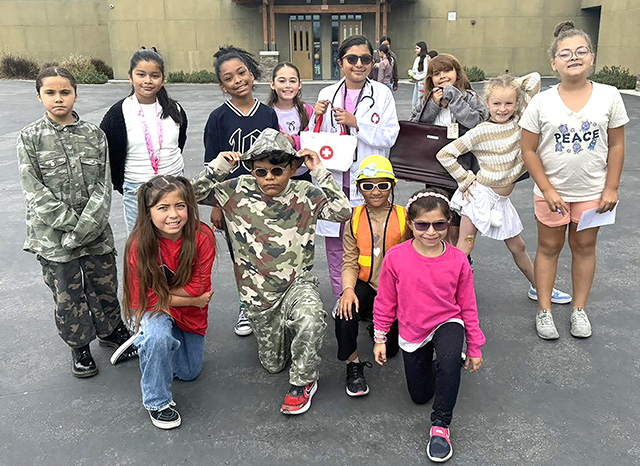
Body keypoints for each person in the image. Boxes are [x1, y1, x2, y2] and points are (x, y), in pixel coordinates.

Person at [192, 129, 351, 415]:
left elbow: (342, 212)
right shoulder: (235, 190)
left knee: (311, 319)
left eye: (277, 171)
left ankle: (303, 382)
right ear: (252, 170)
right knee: (273, 365)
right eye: (261, 172)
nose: (269, 178)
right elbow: (191, 195)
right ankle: (286, 333)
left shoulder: (306, 194)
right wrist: (219, 166)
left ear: (292, 168)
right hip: (258, 296)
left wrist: (319, 171)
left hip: (297, 285)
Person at [16, 67, 137, 378]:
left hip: (95, 231)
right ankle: (79, 345)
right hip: (54, 238)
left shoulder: (94, 135)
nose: (58, 99)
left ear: (75, 94)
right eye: (50, 93)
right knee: (68, 295)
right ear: (39, 96)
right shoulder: (30, 137)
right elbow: (34, 191)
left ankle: (112, 332)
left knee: (105, 283)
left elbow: (103, 185)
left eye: (65, 92)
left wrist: (85, 228)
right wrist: (72, 226)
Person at [520, 21, 628, 340]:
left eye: (581, 51)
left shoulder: (609, 96)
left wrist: (611, 187)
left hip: (593, 191)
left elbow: (617, 144)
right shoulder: (541, 102)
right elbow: (528, 150)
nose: (574, 57)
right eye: (565, 53)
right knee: (549, 247)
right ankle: (544, 310)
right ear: (554, 63)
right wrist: (547, 189)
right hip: (550, 193)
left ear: (592, 57)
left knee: (584, 247)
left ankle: (579, 309)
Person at [436, 72, 572, 304]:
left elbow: (535, 78)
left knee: (518, 247)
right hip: (480, 196)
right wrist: (465, 179)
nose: (502, 109)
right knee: (464, 246)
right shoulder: (480, 131)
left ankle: (539, 288)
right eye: (496, 103)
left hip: (501, 202)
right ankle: (443, 295)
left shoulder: (521, 122)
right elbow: (445, 154)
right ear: (487, 103)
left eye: (509, 103)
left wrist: (509, 85)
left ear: (516, 103)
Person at [373, 189, 485, 463]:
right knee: (419, 395)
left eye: (439, 224)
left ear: (449, 223)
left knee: (449, 359)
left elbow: (468, 305)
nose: (431, 232)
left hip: (448, 320)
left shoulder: (458, 259)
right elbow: (385, 300)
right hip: (412, 328)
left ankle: (441, 425)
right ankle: (445, 366)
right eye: (423, 225)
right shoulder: (395, 257)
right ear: (411, 224)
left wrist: (474, 346)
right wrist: (380, 337)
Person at [311, 35, 400, 312]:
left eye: (365, 59)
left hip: (368, 180)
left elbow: (391, 135)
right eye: (352, 59)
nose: (359, 64)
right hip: (336, 181)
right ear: (341, 62)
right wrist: (315, 116)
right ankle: (343, 296)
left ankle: (376, 298)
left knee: (373, 240)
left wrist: (356, 123)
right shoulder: (327, 93)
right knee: (336, 244)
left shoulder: (382, 94)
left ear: (372, 62)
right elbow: (316, 138)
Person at [122, 175, 215, 429]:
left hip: (188, 310)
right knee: (158, 336)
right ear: (148, 212)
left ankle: (148, 346)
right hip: (158, 309)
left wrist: (184, 295)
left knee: (189, 372)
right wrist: (193, 299)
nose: (173, 215)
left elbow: (199, 287)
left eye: (180, 206)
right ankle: (157, 401)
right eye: (163, 207)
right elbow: (144, 298)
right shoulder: (138, 244)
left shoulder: (201, 236)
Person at [204, 46, 279, 337]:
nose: (237, 80)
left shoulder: (268, 114)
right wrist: (216, 204)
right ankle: (245, 305)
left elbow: (276, 160)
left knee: (269, 254)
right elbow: (212, 165)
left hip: (266, 197)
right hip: (233, 202)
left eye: (241, 73)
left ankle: (271, 304)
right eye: (229, 78)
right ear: (223, 86)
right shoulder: (218, 118)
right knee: (242, 258)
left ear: (251, 74)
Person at [335, 155, 409, 397]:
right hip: (366, 284)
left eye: (382, 185)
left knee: (393, 350)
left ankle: (380, 323)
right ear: (359, 188)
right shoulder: (354, 218)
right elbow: (349, 261)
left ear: (393, 186)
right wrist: (347, 291)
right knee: (344, 311)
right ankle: (353, 364)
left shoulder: (405, 217)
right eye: (368, 185)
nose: (375, 192)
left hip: (396, 288)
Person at [100, 48, 188, 235]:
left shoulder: (175, 109)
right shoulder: (118, 113)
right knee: (140, 242)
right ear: (130, 77)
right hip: (137, 188)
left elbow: (179, 142)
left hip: (174, 186)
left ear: (162, 79)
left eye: (154, 76)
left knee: (175, 241)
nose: (148, 80)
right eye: (141, 74)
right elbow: (109, 152)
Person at [410, 53, 487, 247]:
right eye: (437, 73)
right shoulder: (426, 99)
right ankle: (440, 253)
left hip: (463, 167)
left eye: (447, 71)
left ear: (457, 73)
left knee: (460, 217)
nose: (442, 76)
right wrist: (433, 105)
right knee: (438, 213)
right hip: (434, 167)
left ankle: (461, 256)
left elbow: (476, 123)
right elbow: (415, 127)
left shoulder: (469, 97)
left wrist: (455, 98)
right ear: (431, 79)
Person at [267, 61, 314, 181]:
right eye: (282, 81)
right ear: (272, 84)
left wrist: (294, 141)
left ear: (299, 84)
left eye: (292, 81)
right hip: (276, 173)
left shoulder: (308, 110)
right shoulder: (266, 113)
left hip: (304, 172)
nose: (288, 85)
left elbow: (314, 138)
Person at [408, 41, 429, 109]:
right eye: (415, 48)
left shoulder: (426, 59)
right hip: (417, 83)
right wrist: (411, 73)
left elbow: (425, 73)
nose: (416, 50)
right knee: (415, 101)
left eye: (417, 48)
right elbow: (414, 70)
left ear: (422, 49)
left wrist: (415, 76)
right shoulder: (417, 58)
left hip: (423, 83)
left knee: (421, 101)